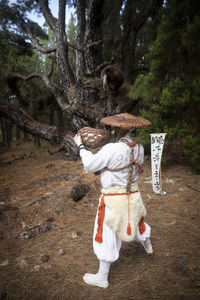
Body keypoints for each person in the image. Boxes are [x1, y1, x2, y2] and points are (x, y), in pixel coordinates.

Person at [74, 113, 153, 289]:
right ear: (132, 128)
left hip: (112, 200)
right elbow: (136, 171)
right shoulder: (140, 148)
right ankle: (147, 245)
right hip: (133, 195)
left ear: (117, 128)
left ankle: (102, 277)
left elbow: (90, 166)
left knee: (106, 233)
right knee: (136, 221)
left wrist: (81, 146)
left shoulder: (111, 149)